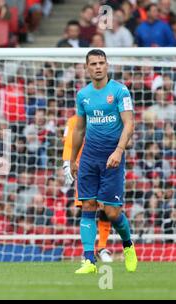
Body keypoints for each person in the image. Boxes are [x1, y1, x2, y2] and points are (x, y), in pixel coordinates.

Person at [70, 49, 137, 274]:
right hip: (89, 157)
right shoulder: (83, 95)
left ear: (107, 65)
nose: (98, 67)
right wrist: (72, 159)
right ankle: (89, 260)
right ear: (86, 68)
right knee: (87, 205)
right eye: (93, 64)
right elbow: (79, 129)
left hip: (112, 157)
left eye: (101, 63)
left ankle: (128, 245)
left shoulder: (120, 91)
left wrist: (118, 151)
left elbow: (129, 124)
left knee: (111, 212)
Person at [62, 114, 113, 263]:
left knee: (106, 207)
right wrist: (67, 163)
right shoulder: (72, 121)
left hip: (105, 166)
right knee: (87, 207)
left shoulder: (106, 118)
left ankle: (102, 247)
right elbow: (68, 143)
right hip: (84, 168)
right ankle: (88, 252)